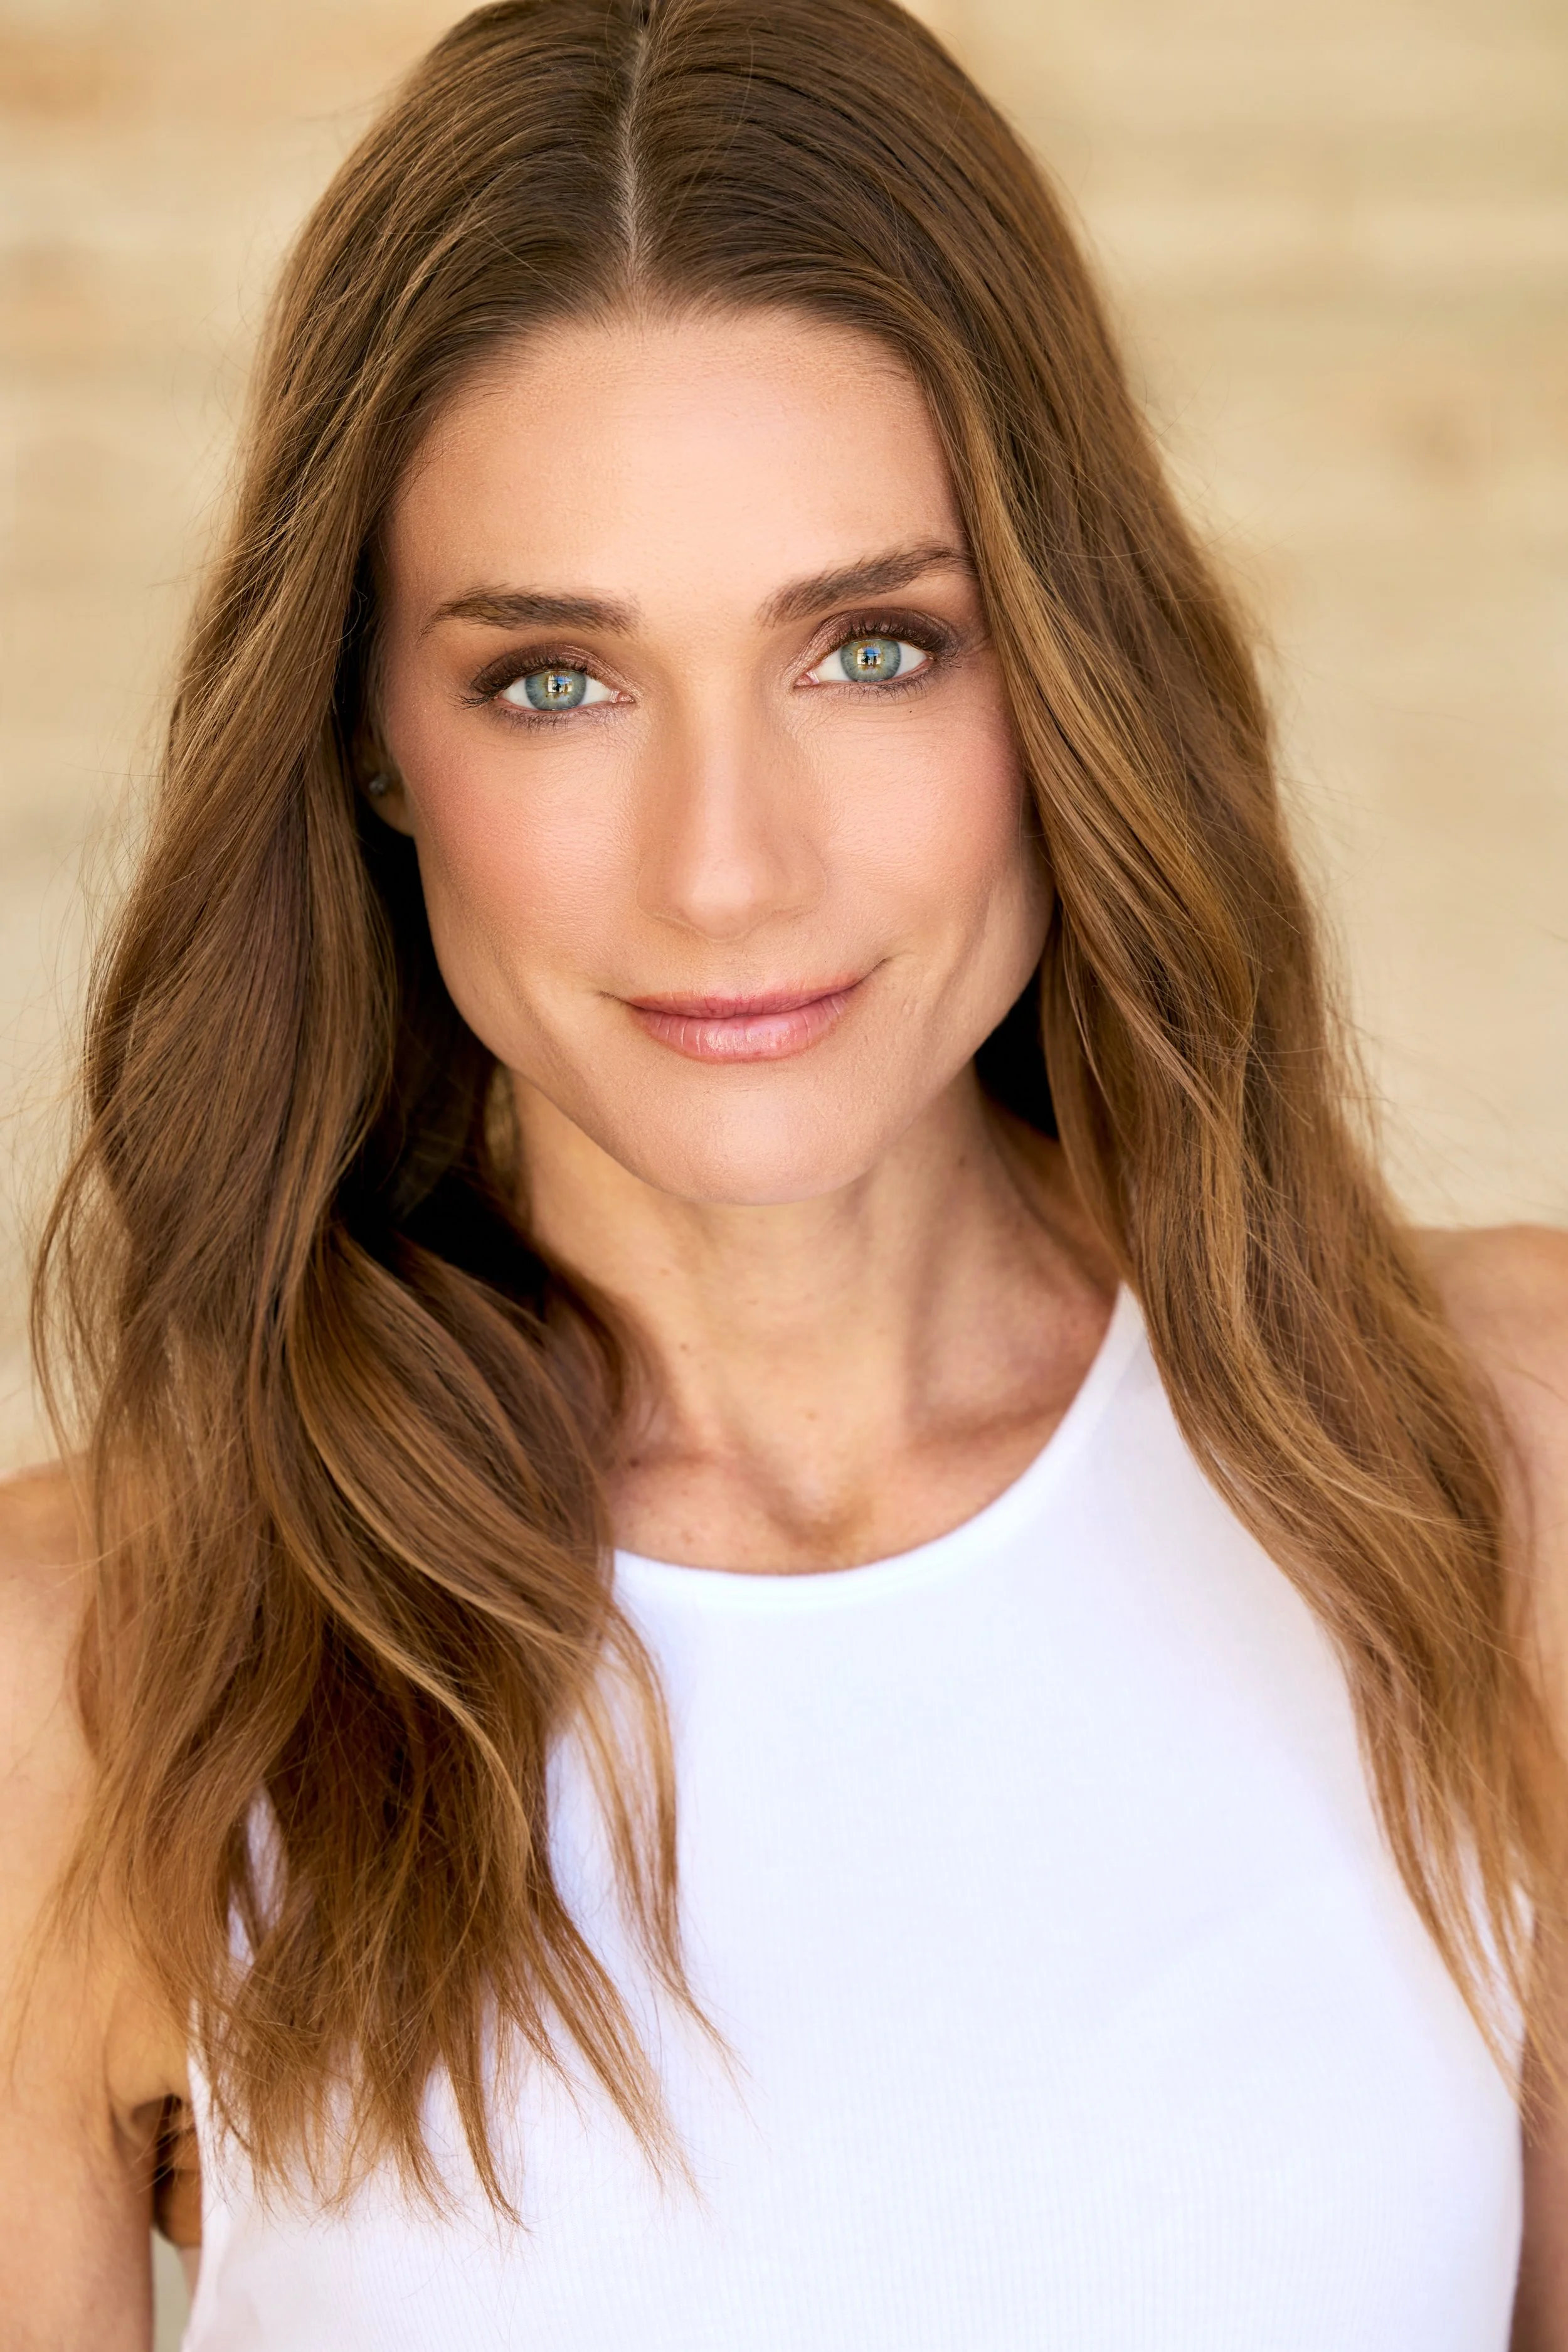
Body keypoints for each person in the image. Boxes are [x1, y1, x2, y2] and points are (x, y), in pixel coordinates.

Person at [2, 0, 1565, 2343]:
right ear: (370, 742)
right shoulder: (97, 1674)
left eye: (872, 647)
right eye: (554, 675)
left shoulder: (1494, 1473)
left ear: (1063, 670)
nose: (725, 870)